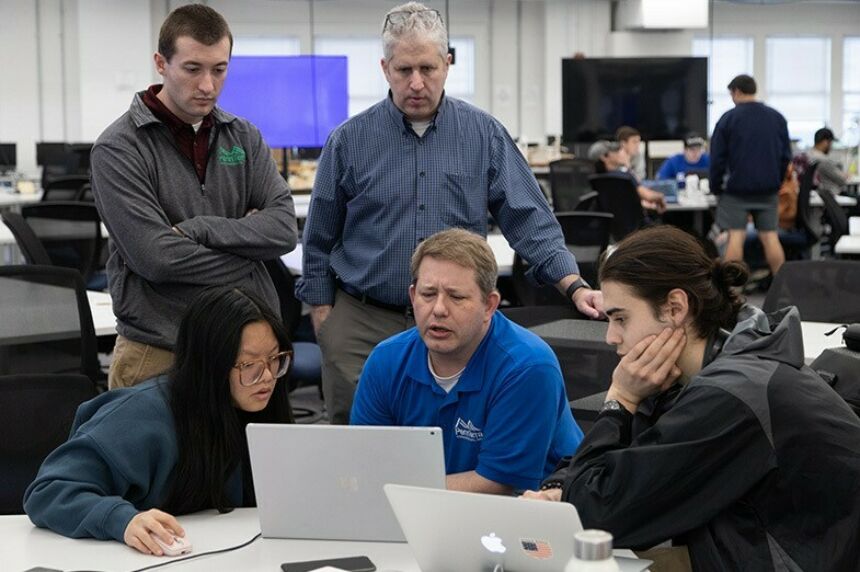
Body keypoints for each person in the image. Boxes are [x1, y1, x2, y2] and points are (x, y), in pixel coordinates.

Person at [297, 2, 602, 424]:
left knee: (452, 436)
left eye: (428, 68)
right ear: (385, 68)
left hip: (455, 318)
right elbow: (319, 236)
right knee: (360, 448)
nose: (416, 82)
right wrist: (324, 317)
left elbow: (530, 219)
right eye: (404, 70)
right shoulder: (349, 141)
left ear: (448, 63)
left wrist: (574, 285)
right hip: (365, 322)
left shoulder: (484, 134)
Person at [523, 225, 860, 570]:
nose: (611, 337)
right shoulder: (708, 365)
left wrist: (621, 400)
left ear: (675, 307)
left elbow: (598, 519)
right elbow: (619, 468)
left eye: (621, 318)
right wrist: (558, 489)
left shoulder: (732, 392)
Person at [91, 4, 297, 389]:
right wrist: (250, 256)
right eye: (192, 69)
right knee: (157, 451)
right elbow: (157, 259)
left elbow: (284, 229)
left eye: (219, 70)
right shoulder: (118, 149)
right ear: (161, 63)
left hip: (245, 348)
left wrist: (201, 229)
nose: (208, 86)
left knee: (245, 452)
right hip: (162, 350)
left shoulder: (244, 136)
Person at [24, 286, 295, 555]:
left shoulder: (254, 409)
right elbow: (48, 491)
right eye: (249, 365)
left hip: (217, 554)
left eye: (274, 359)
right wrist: (123, 520)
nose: (269, 376)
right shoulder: (141, 415)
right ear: (210, 364)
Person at [351, 229, 583, 494]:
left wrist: (392, 487)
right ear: (413, 296)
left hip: (523, 516)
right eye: (428, 294)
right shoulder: (386, 360)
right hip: (419, 509)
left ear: (489, 305)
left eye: (456, 297)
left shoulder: (528, 367)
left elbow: (500, 484)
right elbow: (366, 463)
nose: (438, 309)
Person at [710, 74, 790, 275]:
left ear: (736, 91)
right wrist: (776, 182)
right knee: (770, 237)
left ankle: (731, 293)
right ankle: (783, 289)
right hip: (768, 190)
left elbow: (717, 158)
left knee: (736, 236)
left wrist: (715, 186)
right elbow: (785, 156)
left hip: (737, 191)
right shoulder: (777, 117)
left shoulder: (728, 119)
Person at [589, 140, 667, 212]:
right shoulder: (625, 177)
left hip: (608, 224)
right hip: (635, 224)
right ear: (604, 157)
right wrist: (660, 197)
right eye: (614, 151)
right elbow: (648, 196)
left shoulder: (594, 180)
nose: (618, 153)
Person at [808, 127, 849, 194]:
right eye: (831, 143)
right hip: (830, 194)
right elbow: (842, 180)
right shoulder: (822, 160)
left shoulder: (808, 155)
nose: (831, 146)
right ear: (825, 142)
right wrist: (844, 175)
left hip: (815, 194)